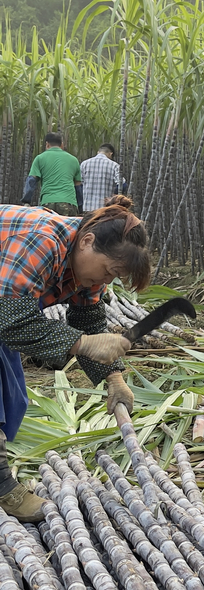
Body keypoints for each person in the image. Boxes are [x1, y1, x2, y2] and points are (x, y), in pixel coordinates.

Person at [0, 195, 150, 523]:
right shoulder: (43, 243)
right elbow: (7, 319)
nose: (105, 282)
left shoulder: (83, 269)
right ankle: (2, 486)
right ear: (87, 241)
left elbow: (88, 320)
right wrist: (81, 344)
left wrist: (114, 378)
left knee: (13, 399)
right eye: (108, 271)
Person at [22, 133, 83, 216]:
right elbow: (78, 187)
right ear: (62, 145)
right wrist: (80, 208)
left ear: (47, 144)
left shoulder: (40, 158)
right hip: (69, 203)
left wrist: (26, 201)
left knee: (47, 229)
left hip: (48, 203)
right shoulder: (74, 160)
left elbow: (32, 181)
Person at [80, 143, 123, 213]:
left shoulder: (84, 164)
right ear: (110, 154)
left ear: (98, 152)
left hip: (88, 208)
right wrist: (113, 198)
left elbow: (80, 184)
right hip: (105, 209)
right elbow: (122, 185)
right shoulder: (114, 165)